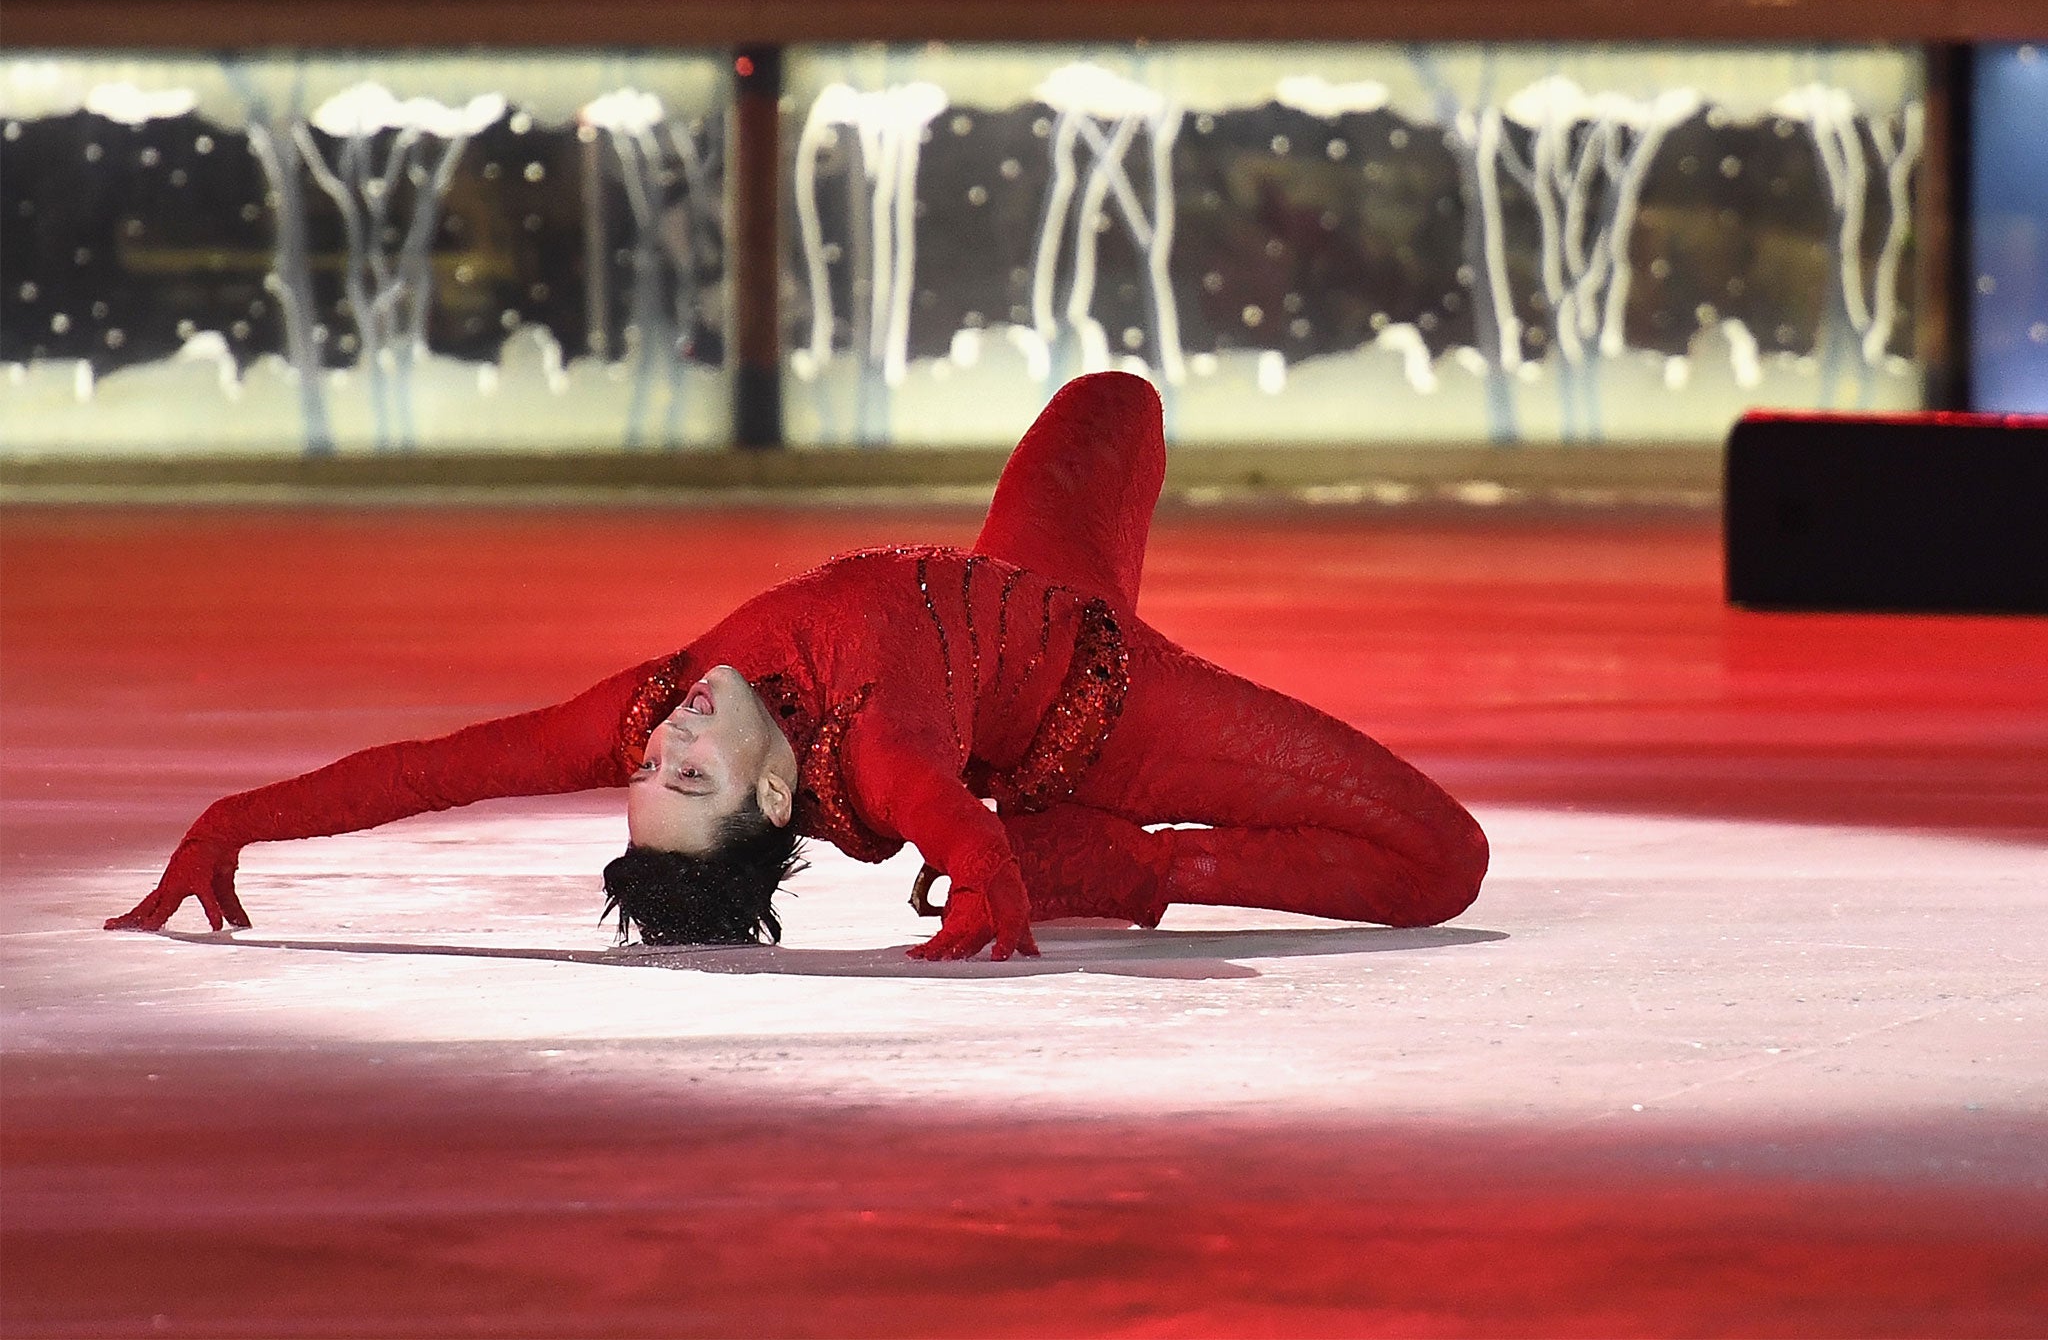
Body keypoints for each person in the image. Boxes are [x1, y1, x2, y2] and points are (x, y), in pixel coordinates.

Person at [107, 374, 1488, 961]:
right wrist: (1026, 885)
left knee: (1113, 405)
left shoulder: (648, 704)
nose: (674, 735)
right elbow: (975, 861)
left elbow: (425, 772)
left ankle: (1089, 845)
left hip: (1028, 595)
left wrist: (233, 824)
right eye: (690, 771)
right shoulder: (886, 759)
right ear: (772, 803)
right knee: (1439, 868)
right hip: (1101, 704)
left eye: (652, 766)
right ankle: (1133, 863)